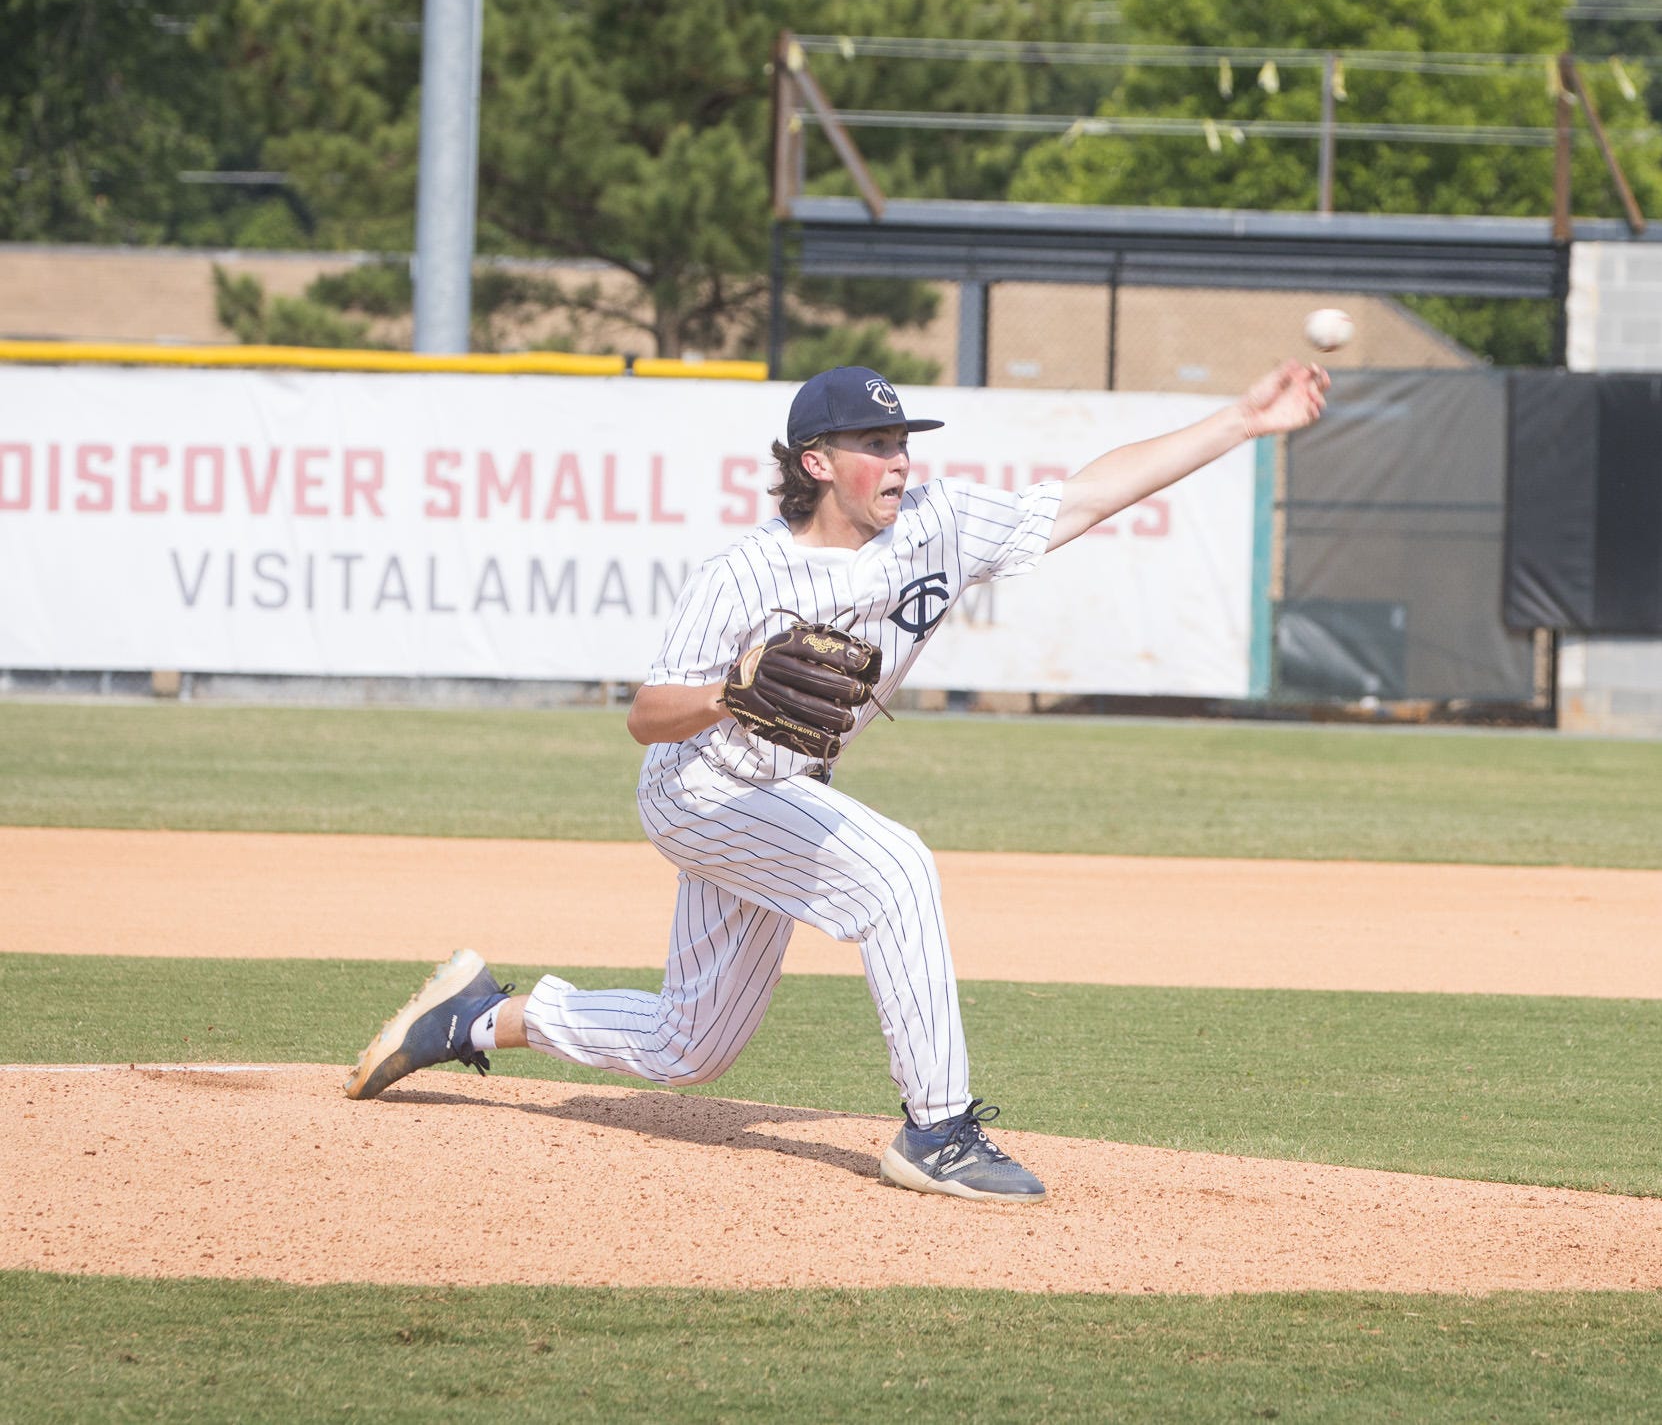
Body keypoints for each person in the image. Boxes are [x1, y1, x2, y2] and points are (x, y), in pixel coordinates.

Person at [343, 359, 1329, 1202]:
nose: (898, 461)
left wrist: (1244, 420)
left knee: (693, 1046)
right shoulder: (743, 575)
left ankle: (473, 1015)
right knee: (894, 871)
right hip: (706, 785)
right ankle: (935, 1132)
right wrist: (733, 692)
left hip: (786, 790)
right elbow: (647, 716)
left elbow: (1084, 495)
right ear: (816, 462)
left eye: (904, 443)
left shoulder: (935, 527)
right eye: (874, 443)